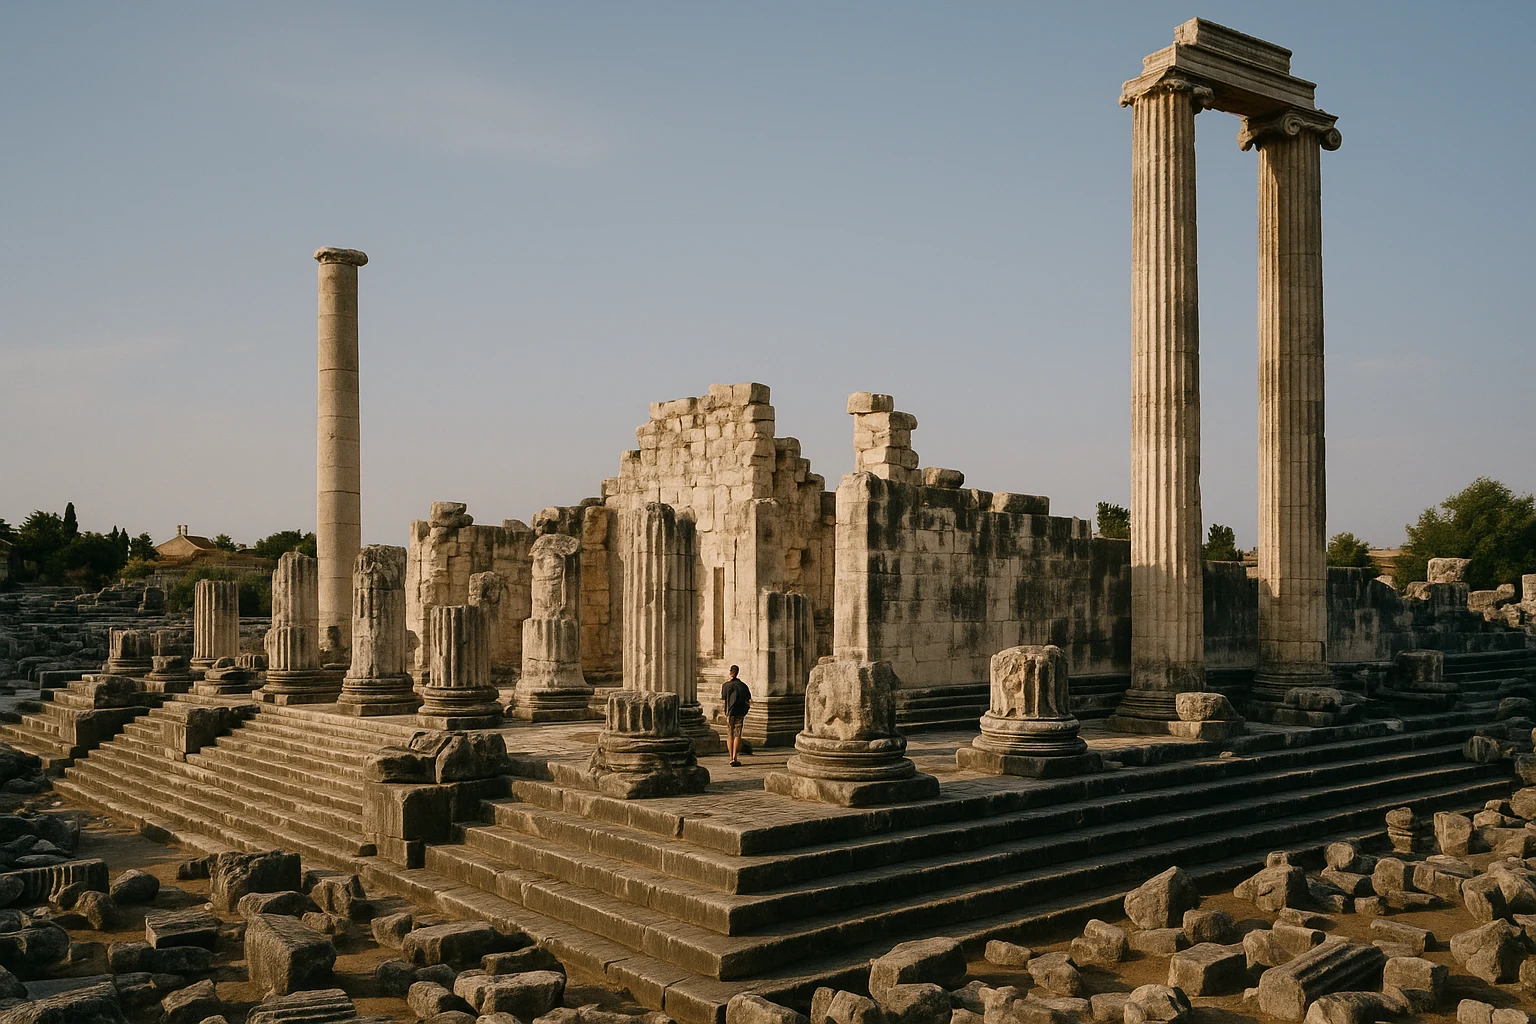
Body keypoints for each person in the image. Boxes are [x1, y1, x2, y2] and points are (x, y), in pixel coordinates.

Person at [720, 665, 751, 767]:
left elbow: (724, 700)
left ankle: (730, 757)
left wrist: (725, 712)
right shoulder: (743, 686)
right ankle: (735, 757)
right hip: (740, 712)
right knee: (737, 734)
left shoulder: (725, 685)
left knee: (730, 735)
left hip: (729, 712)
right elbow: (748, 701)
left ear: (730, 672)